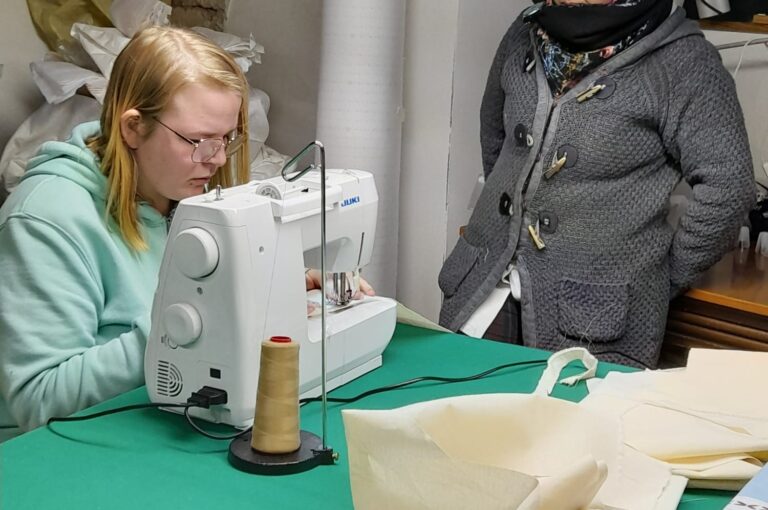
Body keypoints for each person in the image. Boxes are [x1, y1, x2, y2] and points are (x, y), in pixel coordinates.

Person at [0, 25, 373, 441]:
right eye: (197, 140)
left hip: (164, 425)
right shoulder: (46, 220)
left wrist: (273, 289)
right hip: (69, 456)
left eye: (227, 139)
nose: (215, 160)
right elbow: (37, 400)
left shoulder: (179, 194)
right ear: (133, 128)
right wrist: (177, 327)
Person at [437, 0, 755, 369]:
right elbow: (495, 137)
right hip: (484, 295)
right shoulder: (523, 33)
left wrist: (656, 276)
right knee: (453, 414)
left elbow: (728, 189)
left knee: (567, 424)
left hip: (593, 319)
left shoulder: (685, 62)